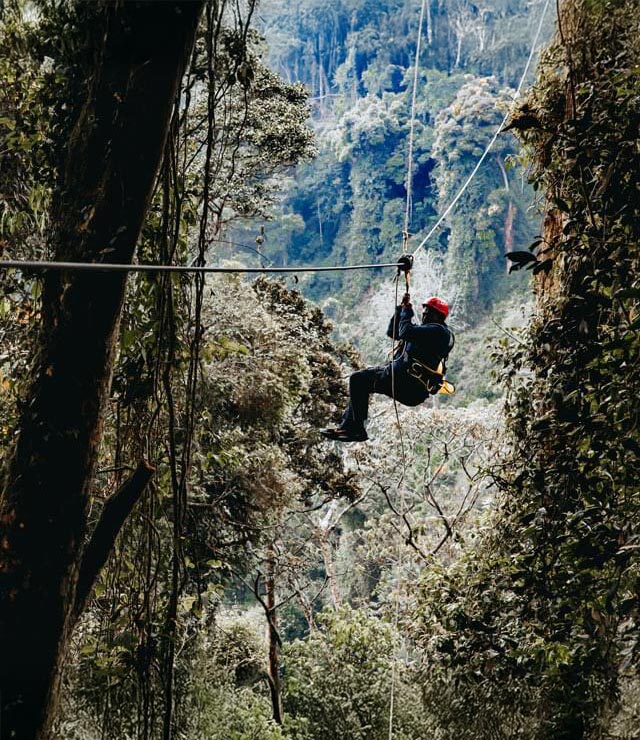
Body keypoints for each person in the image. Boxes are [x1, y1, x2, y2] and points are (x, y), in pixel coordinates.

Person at [320, 295, 454, 442]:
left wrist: (406, 313)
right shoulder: (424, 332)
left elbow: (405, 331)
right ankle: (351, 428)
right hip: (400, 380)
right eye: (424, 311)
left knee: (358, 380)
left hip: (407, 384)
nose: (424, 314)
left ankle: (354, 429)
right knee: (359, 380)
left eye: (428, 311)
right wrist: (400, 310)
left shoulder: (439, 332)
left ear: (438, 315)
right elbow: (393, 332)